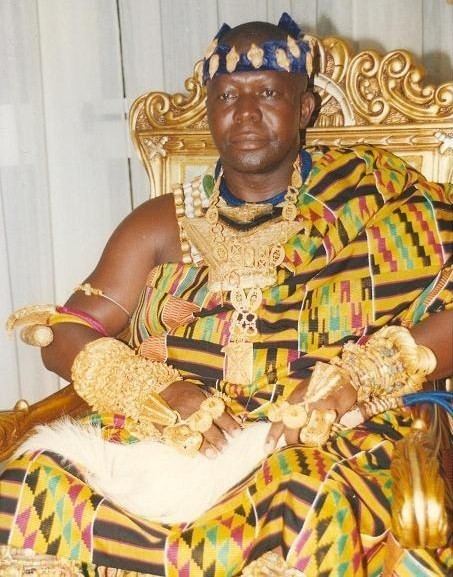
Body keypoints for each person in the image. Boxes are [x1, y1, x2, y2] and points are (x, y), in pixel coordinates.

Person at [1, 13, 452, 577]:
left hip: (313, 435)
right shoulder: (160, 222)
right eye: (226, 96)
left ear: (304, 108)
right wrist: (150, 387)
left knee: (311, 503)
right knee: (24, 487)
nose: (244, 113)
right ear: (210, 111)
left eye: (267, 93)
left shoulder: (381, 203)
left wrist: (359, 377)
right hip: (171, 433)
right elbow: (63, 332)